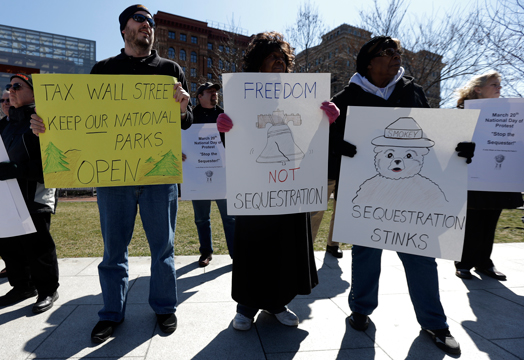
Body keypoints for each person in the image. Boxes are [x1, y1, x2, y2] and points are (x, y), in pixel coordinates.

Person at [30, 4, 192, 342]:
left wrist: (181, 107)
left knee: (163, 249)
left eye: (151, 22)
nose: (147, 26)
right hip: (113, 178)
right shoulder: (103, 69)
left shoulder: (171, 69)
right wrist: (48, 127)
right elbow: (84, 121)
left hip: (159, 177)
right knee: (113, 252)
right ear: (123, 29)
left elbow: (185, 121)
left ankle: (165, 308)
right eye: (139, 20)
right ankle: (111, 313)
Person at [330, 36, 473, 355]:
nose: (397, 57)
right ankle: (360, 310)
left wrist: (459, 149)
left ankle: (435, 322)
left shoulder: (412, 90)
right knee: (366, 255)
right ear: (369, 61)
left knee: (422, 256)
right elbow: (326, 144)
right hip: (369, 197)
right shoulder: (345, 98)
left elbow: (433, 136)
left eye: (398, 52)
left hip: (414, 197)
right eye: (388, 53)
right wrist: (335, 146)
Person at [216, 31, 339, 331]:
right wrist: (225, 128)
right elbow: (238, 147)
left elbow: (315, 140)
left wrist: (330, 121)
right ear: (258, 62)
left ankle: (277, 302)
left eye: (283, 57)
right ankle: (246, 306)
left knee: (285, 246)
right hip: (256, 189)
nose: (279, 62)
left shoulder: (303, 97)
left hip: (291, 187)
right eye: (272, 56)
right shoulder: (243, 97)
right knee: (254, 246)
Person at [0, 73, 60, 314]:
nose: (11, 90)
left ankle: (48, 290)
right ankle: (22, 286)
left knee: (38, 246)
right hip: (6, 196)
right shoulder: (3, 125)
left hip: (35, 195)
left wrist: (20, 170)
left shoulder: (43, 120)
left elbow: (56, 162)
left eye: (18, 86)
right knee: (8, 245)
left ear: (35, 93)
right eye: (9, 86)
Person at [454, 71, 522, 281]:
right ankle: (464, 263)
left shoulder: (510, 113)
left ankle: (484, 263)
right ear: (478, 89)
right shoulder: (464, 112)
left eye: (499, 85)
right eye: (494, 85)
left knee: (491, 220)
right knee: (471, 221)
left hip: (498, 176)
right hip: (472, 175)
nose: (499, 89)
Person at [189, 82, 234, 267]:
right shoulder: (188, 117)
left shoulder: (225, 115)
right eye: (210, 92)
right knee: (201, 218)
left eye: (215, 91)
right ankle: (205, 253)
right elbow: (181, 139)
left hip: (223, 174)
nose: (215, 94)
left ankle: (235, 253)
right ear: (199, 96)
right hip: (197, 175)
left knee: (230, 218)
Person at [0, 89, 10, 279]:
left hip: (24, 181)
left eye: (9, 98)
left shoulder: (32, 122)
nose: (6, 102)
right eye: (2, 100)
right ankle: (10, 264)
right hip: (1, 183)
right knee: (5, 230)